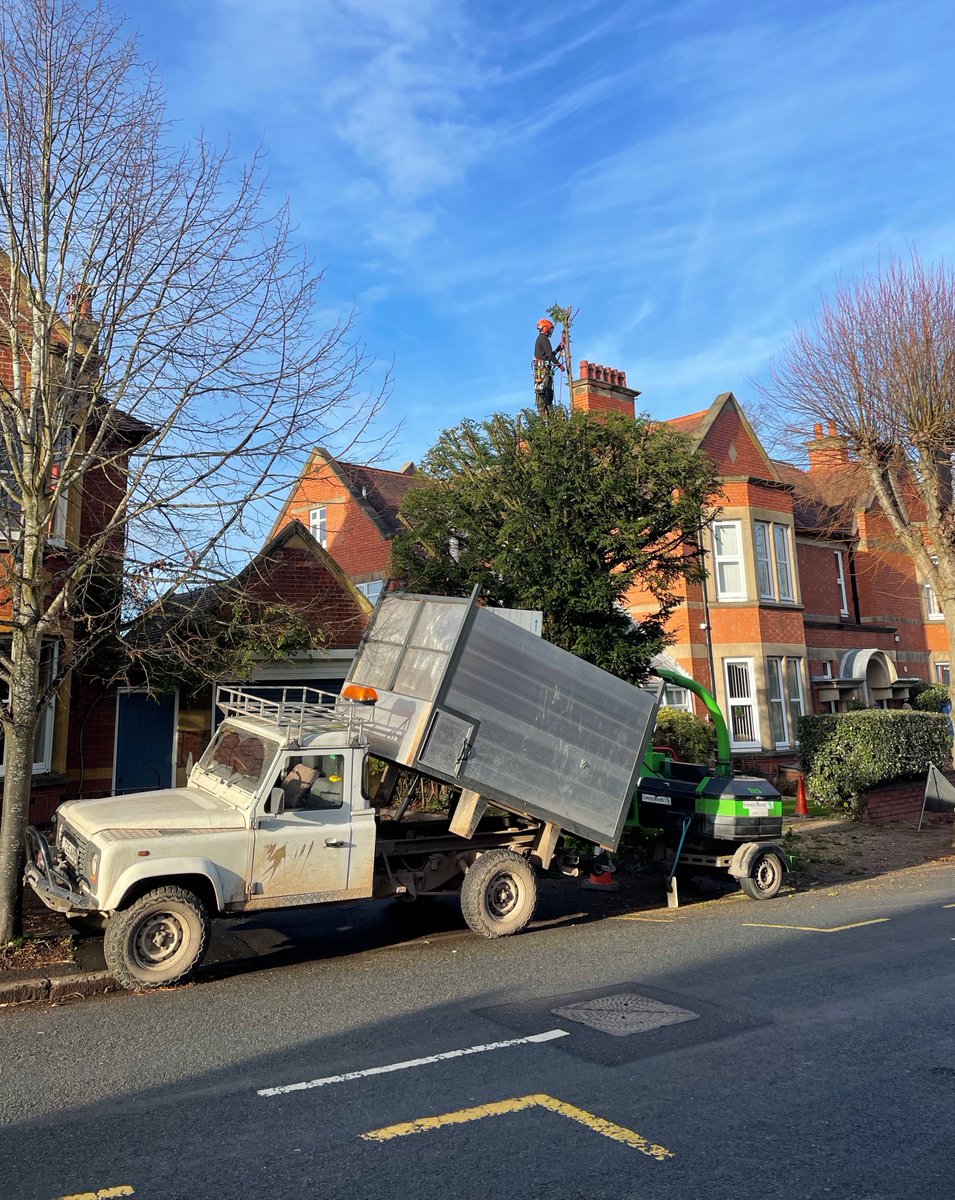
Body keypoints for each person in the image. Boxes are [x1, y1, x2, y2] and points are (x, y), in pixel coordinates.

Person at [533, 317, 564, 413]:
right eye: (550, 329)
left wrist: (558, 349)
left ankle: (548, 412)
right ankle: (544, 414)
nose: (551, 332)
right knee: (544, 392)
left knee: (547, 393)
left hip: (544, 368)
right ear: (545, 328)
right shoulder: (543, 338)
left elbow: (548, 354)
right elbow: (550, 356)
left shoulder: (541, 339)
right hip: (542, 369)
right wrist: (559, 365)